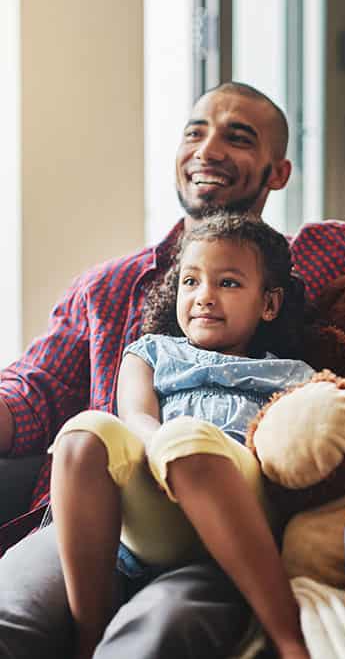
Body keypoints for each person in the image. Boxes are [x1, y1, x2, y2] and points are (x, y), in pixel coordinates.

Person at [0, 81, 345, 658]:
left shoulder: (325, 257)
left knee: (156, 636)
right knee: (10, 617)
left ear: (278, 172)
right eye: (195, 133)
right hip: (99, 512)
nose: (208, 149)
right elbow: (33, 391)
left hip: (226, 519)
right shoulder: (109, 286)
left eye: (238, 137)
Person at [50, 213, 313, 659]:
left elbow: (295, 447)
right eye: (191, 282)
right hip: (155, 496)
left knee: (188, 441)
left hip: (240, 498)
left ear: (269, 304)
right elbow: (134, 414)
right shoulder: (150, 352)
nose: (204, 297)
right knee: (82, 435)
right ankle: (88, 639)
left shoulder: (293, 375)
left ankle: (289, 638)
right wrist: (158, 445)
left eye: (227, 284)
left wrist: (179, 442)